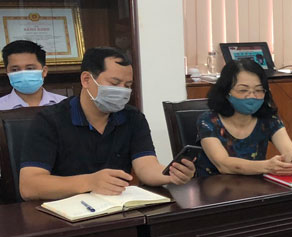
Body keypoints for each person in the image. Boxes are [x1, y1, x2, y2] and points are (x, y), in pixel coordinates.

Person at [19, 47, 195, 200]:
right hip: (65, 215)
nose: (122, 91)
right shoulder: (49, 121)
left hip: (115, 210)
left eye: (127, 85)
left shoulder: (133, 118)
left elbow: (146, 167)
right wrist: (90, 182)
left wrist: (171, 174)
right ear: (86, 80)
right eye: (114, 83)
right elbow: (29, 186)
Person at [196, 59, 292, 176]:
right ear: (226, 92)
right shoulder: (209, 120)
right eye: (243, 90)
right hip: (214, 185)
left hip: (256, 185)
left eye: (258, 90)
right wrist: (267, 166)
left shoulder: (269, 119)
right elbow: (223, 164)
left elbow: (289, 151)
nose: (252, 96)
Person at [0, 40, 66, 110]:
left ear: (44, 71)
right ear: (7, 73)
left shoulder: (65, 105)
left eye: (30, 68)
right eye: (15, 70)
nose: (23, 74)